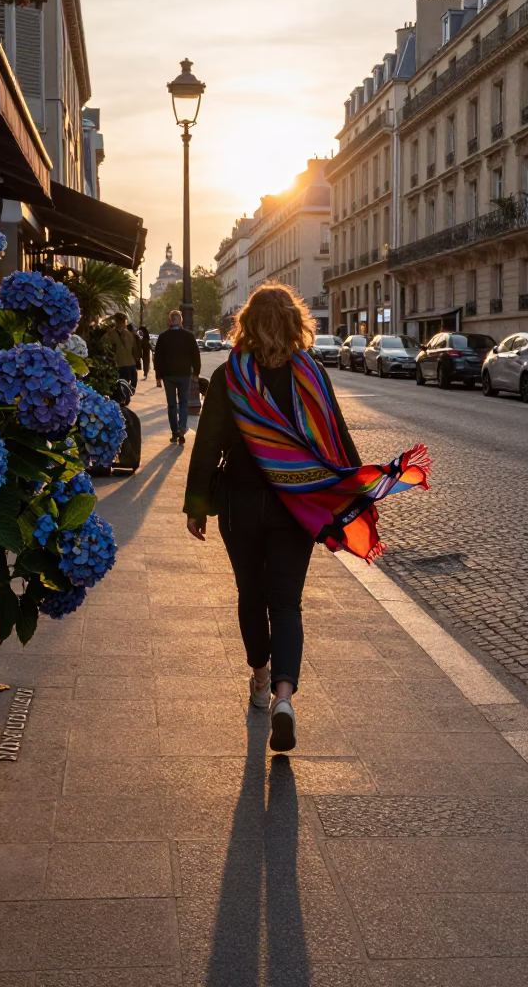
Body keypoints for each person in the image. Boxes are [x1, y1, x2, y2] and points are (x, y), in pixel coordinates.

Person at [183, 284, 430, 753]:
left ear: (248, 324)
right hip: (294, 506)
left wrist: (197, 505)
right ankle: (284, 698)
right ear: (297, 324)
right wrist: (353, 497)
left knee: (250, 595)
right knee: (287, 603)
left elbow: (207, 443)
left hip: (240, 502)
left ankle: (259, 679)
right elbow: (335, 441)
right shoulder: (312, 375)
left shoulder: (231, 375)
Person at [153, 309, 200, 446]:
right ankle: (182, 428)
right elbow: (195, 355)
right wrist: (196, 372)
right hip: (184, 374)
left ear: (170, 321)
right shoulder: (188, 336)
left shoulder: (163, 337)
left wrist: (158, 376)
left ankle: (174, 432)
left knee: (172, 405)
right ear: (181, 321)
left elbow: (158, 358)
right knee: (184, 401)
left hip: (168, 375)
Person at [99, 313, 140, 389]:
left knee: (117, 388)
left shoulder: (109, 335)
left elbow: (103, 349)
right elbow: (136, 352)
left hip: (117, 365)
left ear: (115, 321)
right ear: (125, 322)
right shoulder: (131, 335)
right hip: (130, 365)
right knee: (129, 386)